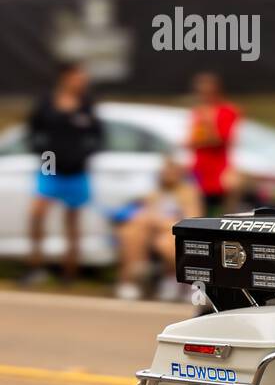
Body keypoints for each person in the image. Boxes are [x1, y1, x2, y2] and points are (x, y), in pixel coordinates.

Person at [23, 62, 103, 286]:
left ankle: (69, 273)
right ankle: (35, 267)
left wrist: (84, 154)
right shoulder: (47, 102)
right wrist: (41, 149)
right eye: (78, 76)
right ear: (66, 77)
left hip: (76, 170)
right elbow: (33, 130)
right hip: (50, 166)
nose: (82, 81)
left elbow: (97, 135)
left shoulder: (86, 104)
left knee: (73, 221)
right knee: (37, 214)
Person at [115, 155, 204, 300]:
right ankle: (131, 278)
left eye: (171, 171)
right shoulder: (155, 193)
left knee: (164, 243)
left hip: (176, 231)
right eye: (165, 171)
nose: (167, 174)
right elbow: (144, 215)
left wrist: (161, 222)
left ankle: (185, 282)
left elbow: (192, 221)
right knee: (130, 233)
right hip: (154, 231)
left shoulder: (188, 192)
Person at [189, 72, 240, 215]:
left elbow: (221, 139)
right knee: (197, 208)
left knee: (227, 208)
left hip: (220, 169)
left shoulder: (226, 111)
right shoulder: (198, 112)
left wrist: (209, 121)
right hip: (200, 170)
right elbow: (192, 140)